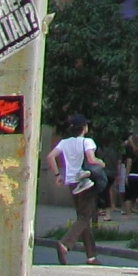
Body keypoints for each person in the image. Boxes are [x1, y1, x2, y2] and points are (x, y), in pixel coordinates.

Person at [50, 114, 102, 266]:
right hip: (85, 182)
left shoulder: (64, 143)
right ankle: (65, 243)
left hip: (72, 182)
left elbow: (50, 157)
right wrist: (101, 163)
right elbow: (91, 159)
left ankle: (91, 256)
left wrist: (57, 175)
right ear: (84, 128)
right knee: (84, 218)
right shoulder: (87, 142)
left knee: (83, 217)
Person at [121, 131, 138, 216]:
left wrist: (126, 176)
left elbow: (129, 163)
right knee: (137, 195)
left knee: (128, 196)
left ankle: (128, 214)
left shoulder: (130, 149)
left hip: (132, 175)